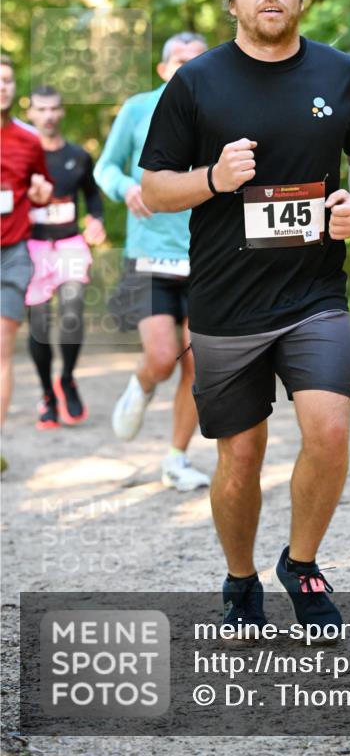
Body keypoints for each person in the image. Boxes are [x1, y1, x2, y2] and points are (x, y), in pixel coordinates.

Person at [140, 0, 350, 633]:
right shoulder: (196, 83)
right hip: (226, 303)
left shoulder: (341, 72)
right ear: (232, 2)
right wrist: (213, 179)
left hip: (314, 296)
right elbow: (155, 188)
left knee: (330, 430)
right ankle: (240, 577)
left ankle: (301, 565)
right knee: (239, 456)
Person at [94, 32, 210, 493]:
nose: (189, 68)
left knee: (198, 366)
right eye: (180, 61)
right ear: (164, 69)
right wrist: (127, 189)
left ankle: (176, 459)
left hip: (206, 258)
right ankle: (142, 385)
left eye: (199, 61)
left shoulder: (221, 111)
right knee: (162, 359)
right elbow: (106, 166)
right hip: (151, 256)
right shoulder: (139, 109)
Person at [25, 85, 106, 429]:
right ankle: (47, 394)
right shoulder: (20, 154)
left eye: (53, 108)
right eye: (41, 109)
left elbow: (92, 193)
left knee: (72, 311)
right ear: (30, 113)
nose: (48, 115)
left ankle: (68, 378)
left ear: (62, 112)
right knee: (40, 326)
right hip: (32, 247)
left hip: (71, 243)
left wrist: (97, 219)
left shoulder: (77, 155)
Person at [1, 55, 54, 448]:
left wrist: (41, 194)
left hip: (13, 253)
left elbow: (42, 188)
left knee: (1, 350)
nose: (2, 86)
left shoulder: (28, 139)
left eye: (7, 80)